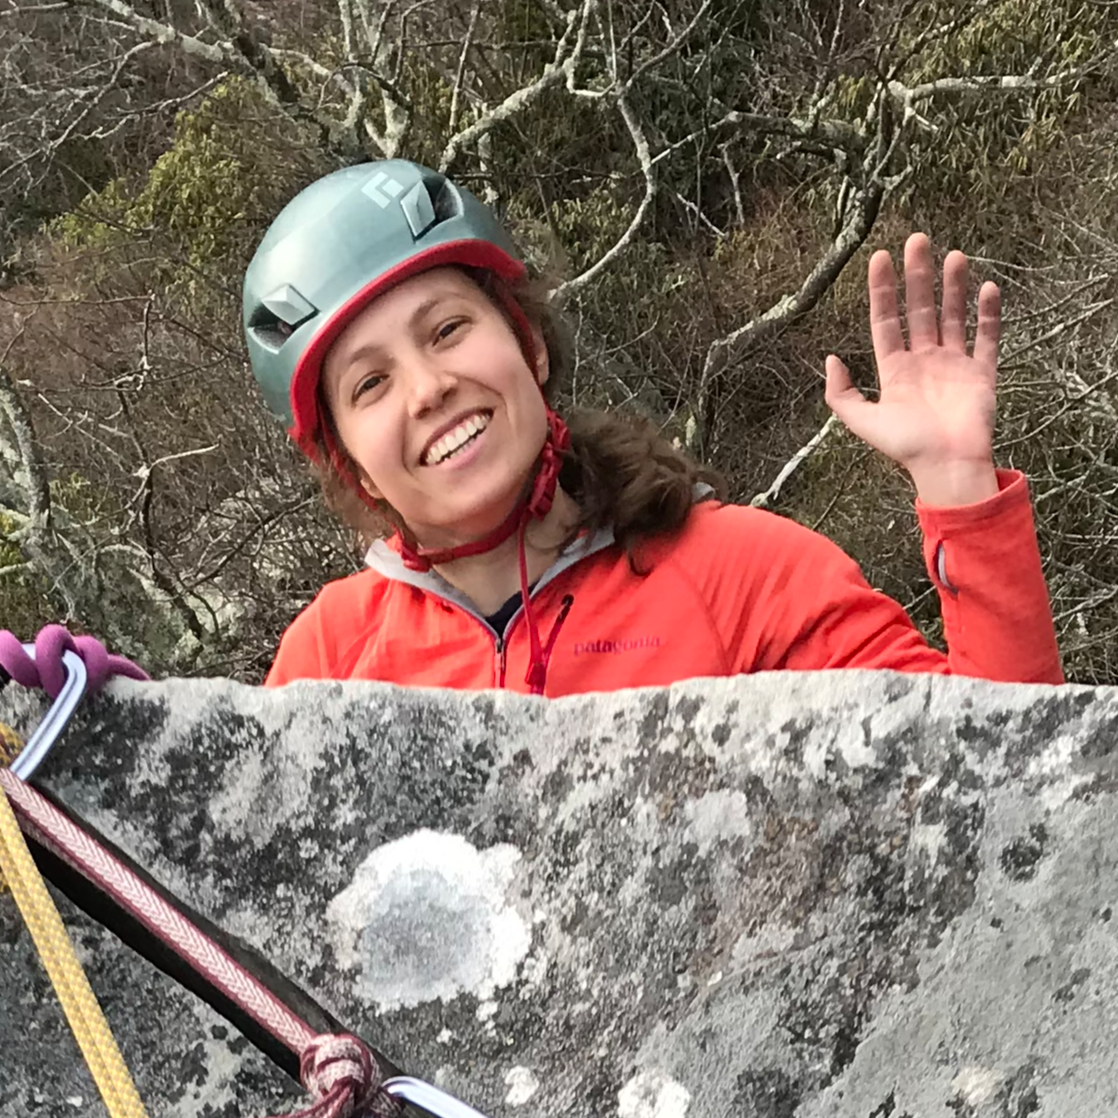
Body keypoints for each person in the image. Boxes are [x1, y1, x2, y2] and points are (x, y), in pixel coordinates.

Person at [246, 160, 1063, 695]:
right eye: (371, 383)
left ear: (528, 345)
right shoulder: (329, 664)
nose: (428, 389)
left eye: (448, 330)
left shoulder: (742, 576)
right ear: (349, 464)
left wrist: (959, 489)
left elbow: (1008, 797)